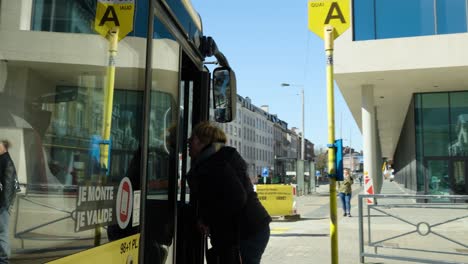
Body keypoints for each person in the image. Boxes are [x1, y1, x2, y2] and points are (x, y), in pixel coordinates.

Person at [187, 121, 271, 264]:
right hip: (252, 228)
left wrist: (207, 219)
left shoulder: (216, 163)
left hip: (246, 232)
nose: (188, 142)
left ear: (203, 141)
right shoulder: (216, 159)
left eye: (192, 138)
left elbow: (237, 198)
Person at [0, 140, 18, 263]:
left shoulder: (6, 161)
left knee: (2, 232)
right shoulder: (3, 160)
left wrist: (5, 205)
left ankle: (4, 259)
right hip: (3, 203)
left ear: (4, 147)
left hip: (2, 204)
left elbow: (8, 185)